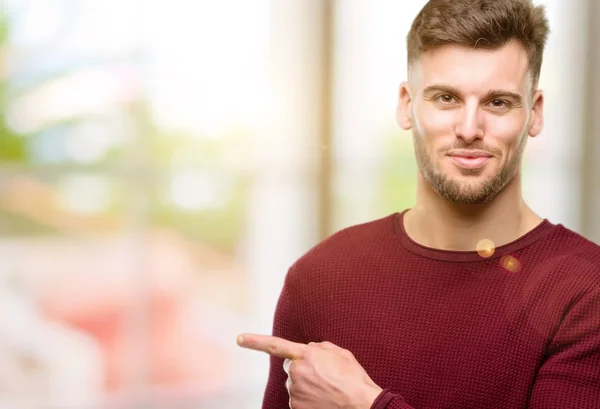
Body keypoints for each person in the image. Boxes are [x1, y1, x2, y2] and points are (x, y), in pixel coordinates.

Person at [237, 0, 600, 408]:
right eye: (446, 98)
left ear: (534, 114)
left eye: (498, 102)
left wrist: (367, 404)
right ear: (406, 105)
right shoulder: (319, 278)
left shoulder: (587, 290)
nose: (468, 129)